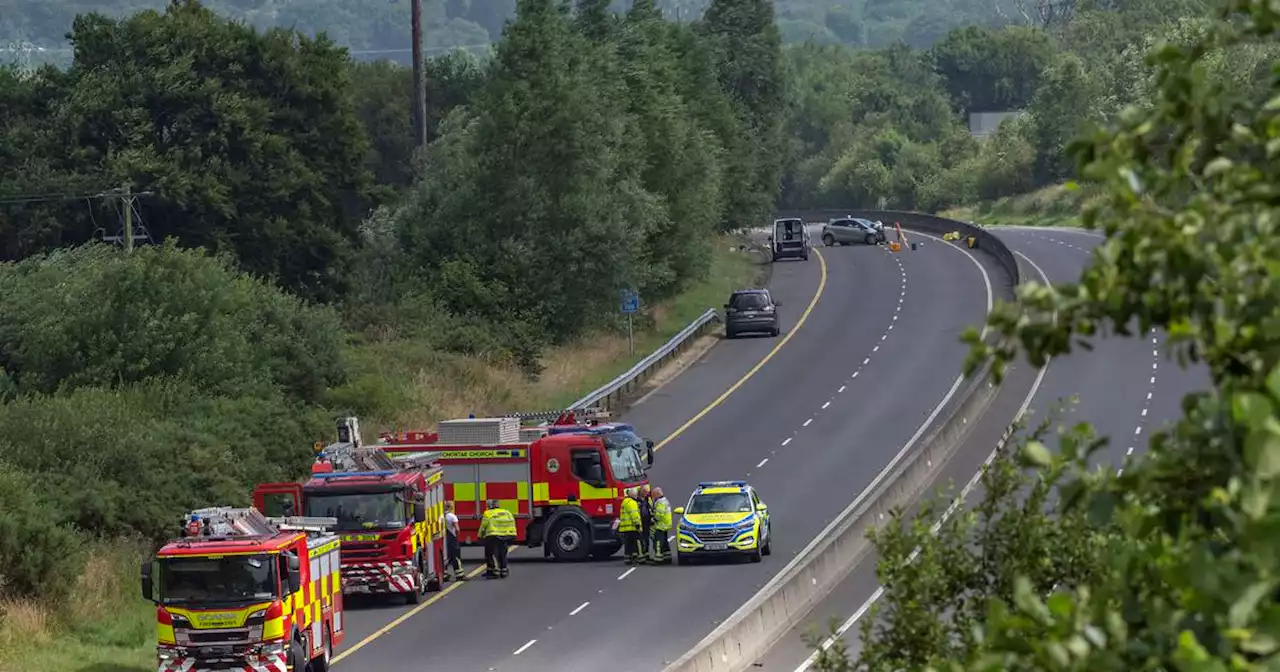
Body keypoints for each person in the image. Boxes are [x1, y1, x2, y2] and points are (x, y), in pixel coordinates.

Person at [478, 499, 516, 578]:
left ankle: (495, 572)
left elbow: (483, 526)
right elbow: (512, 522)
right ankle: (504, 570)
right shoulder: (506, 512)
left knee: (491, 554)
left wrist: (480, 536)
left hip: (493, 535)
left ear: (490, 506)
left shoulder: (488, 513)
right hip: (506, 535)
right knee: (503, 553)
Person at [617, 488, 642, 565]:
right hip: (632, 527)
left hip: (625, 527)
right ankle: (634, 559)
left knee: (627, 545)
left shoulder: (625, 501)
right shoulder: (632, 503)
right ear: (634, 495)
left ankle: (627, 559)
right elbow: (634, 515)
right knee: (634, 544)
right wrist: (638, 525)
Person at [649, 487, 672, 564]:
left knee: (658, 541)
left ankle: (658, 558)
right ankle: (667, 556)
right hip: (666, 524)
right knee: (665, 542)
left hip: (661, 524)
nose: (653, 497)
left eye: (653, 495)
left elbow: (659, 514)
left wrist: (653, 520)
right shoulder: (665, 500)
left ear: (657, 494)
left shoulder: (660, 502)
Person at [443, 502, 465, 581]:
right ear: (450, 507)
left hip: (444, 538)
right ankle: (460, 575)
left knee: (445, 557)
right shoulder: (452, 516)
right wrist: (457, 536)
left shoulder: (442, 516)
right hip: (452, 538)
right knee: (455, 557)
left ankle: (444, 575)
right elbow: (457, 528)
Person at [637, 484, 653, 562]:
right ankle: (641, 555)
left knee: (646, 538)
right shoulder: (636, 500)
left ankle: (646, 554)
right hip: (640, 521)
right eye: (645, 492)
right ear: (641, 492)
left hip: (647, 521)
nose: (647, 494)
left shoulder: (647, 499)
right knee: (640, 539)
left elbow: (650, 508)